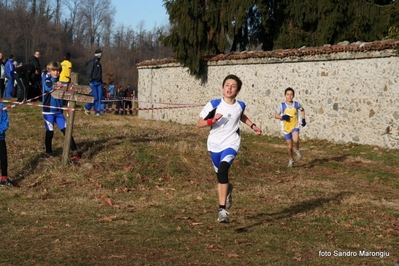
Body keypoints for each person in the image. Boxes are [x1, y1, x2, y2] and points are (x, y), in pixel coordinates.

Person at [196, 74, 262, 223]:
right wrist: (212, 120)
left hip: (231, 143)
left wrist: (253, 126)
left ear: (237, 91)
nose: (229, 88)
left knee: (224, 170)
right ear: (222, 88)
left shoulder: (240, 105)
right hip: (214, 145)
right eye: (227, 85)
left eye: (233, 86)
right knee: (221, 177)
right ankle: (228, 189)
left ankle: (222, 211)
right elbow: (199, 123)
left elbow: (240, 115)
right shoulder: (213, 104)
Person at [42, 61, 80, 159]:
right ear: (50, 70)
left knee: (67, 131)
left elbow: (67, 87)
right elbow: (48, 87)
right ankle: (49, 153)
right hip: (48, 111)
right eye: (54, 70)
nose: (56, 72)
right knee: (50, 132)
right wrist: (57, 85)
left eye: (58, 70)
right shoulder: (46, 78)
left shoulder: (60, 80)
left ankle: (75, 151)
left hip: (58, 111)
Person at [274, 87, 306, 167]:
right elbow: (276, 115)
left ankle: (297, 150)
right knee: (289, 147)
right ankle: (291, 159)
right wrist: (283, 117)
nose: (289, 96)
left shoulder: (296, 104)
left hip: (295, 126)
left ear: (293, 96)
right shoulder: (282, 105)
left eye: (291, 94)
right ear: (285, 95)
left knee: (295, 139)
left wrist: (303, 119)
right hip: (286, 128)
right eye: (288, 94)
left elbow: (302, 110)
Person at [84, 49, 103, 116]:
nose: (101, 55)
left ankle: (97, 111)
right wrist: (90, 81)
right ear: (99, 55)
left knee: (99, 97)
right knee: (95, 97)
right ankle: (87, 107)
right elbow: (89, 72)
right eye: (101, 54)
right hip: (93, 82)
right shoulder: (92, 61)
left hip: (99, 83)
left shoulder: (99, 63)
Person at [0, 103, 12, 186]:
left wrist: (0, 130)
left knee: (3, 158)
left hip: (0, 138)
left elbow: (5, 121)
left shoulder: (2, 107)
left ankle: (4, 179)